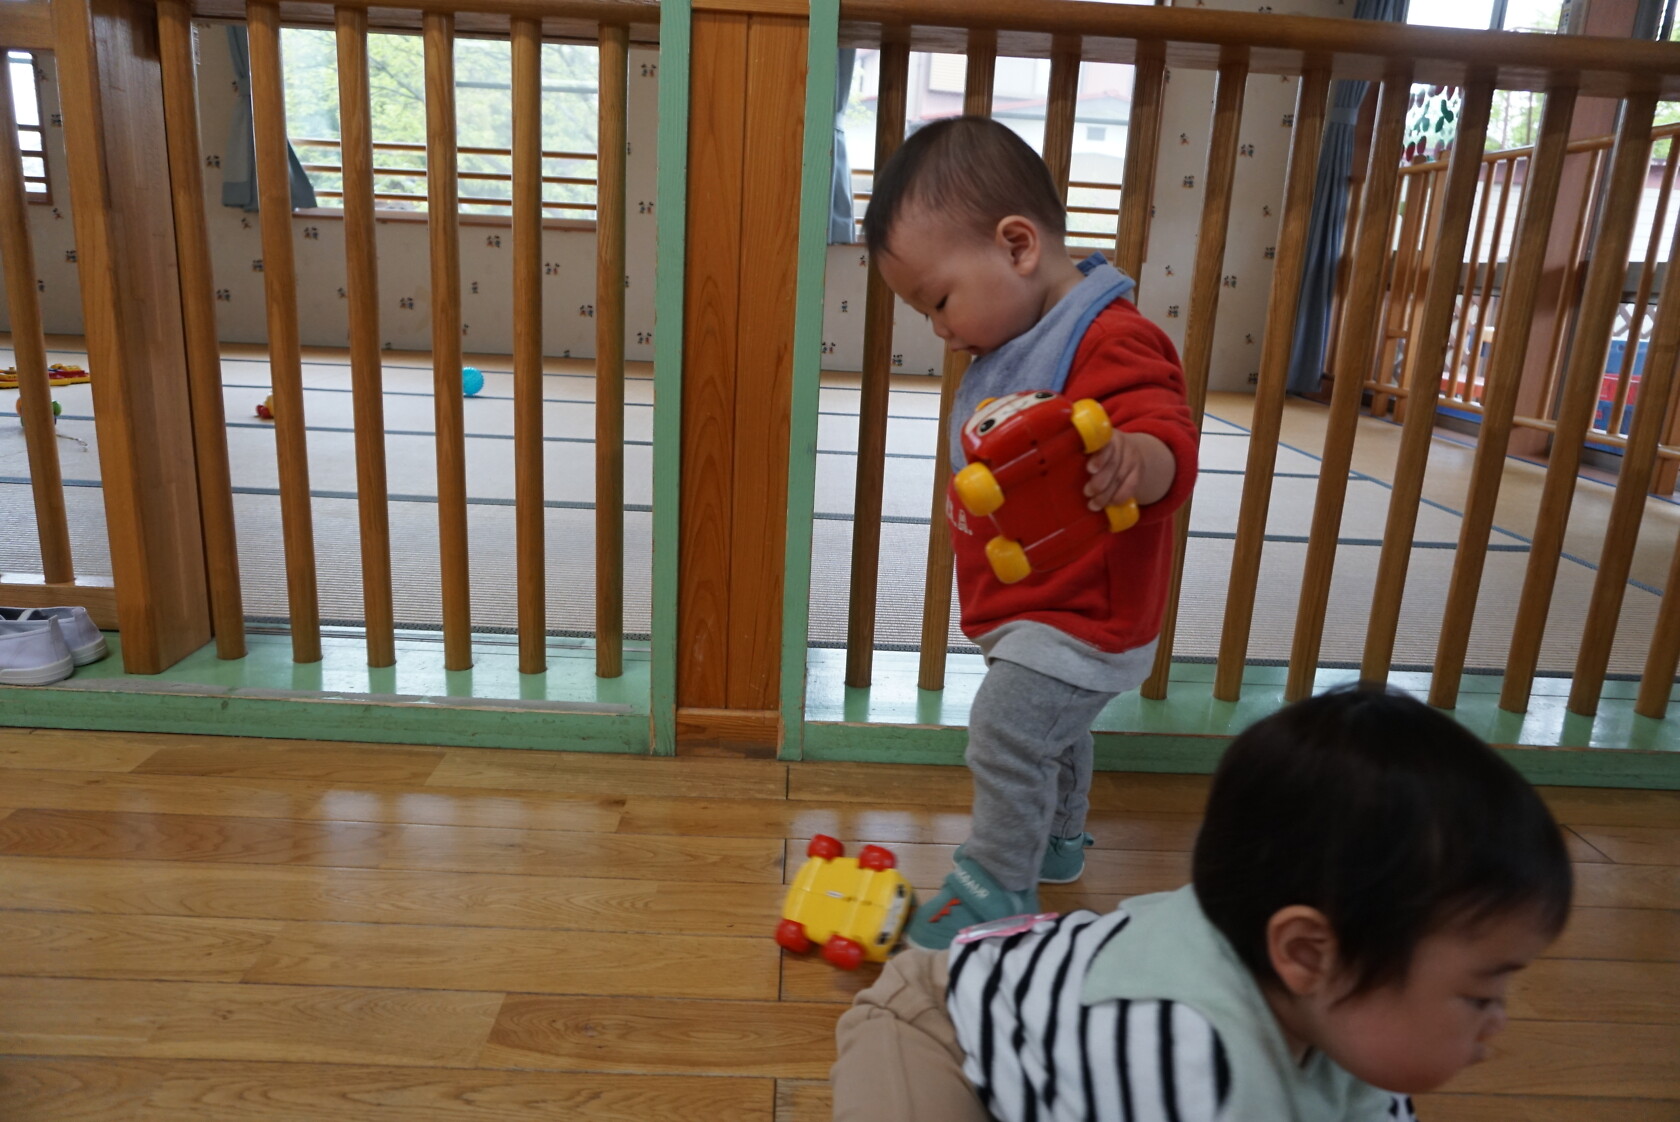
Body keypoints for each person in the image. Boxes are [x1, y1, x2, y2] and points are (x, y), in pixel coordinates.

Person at [830, 684, 1574, 1121]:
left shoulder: (1349, 1026)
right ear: (1309, 954)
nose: (1499, 1022)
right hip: (941, 1029)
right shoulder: (1179, 1059)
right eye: (1479, 995)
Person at [861, 115, 1200, 948]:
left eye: (939, 301)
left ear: (1017, 246)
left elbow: (1165, 430)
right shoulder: (1017, 337)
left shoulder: (1110, 337)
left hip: (1083, 611)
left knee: (1007, 731)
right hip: (1032, 604)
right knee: (1055, 730)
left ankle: (995, 889)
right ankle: (1055, 840)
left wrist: (1136, 460)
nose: (940, 329)